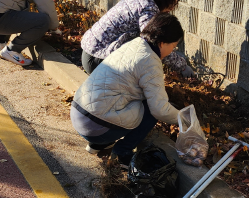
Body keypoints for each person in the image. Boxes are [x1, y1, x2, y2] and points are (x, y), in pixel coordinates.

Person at [71, 12, 183, 166]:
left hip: (79, 115)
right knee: (151, 109)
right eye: (173, 46)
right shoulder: (150, 61)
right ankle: (122, 151)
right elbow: (160, 109)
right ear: (162, 43)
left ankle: (98, 144)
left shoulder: (134, 44)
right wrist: (184, 119)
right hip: (96, 125)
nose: (172, 51)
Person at [81, 0, 194, 77]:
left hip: (91, 51)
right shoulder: (148, 10)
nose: (173, 8)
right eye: (173, 3)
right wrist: (182, 67)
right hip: (98, 59)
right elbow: (156, 44)